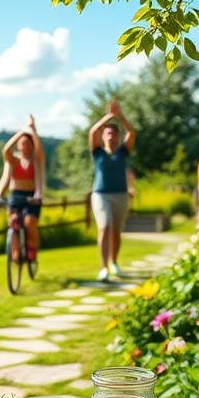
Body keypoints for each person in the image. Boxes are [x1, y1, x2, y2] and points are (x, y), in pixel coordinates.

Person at [89, 100, 136, 281]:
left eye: (114, 133)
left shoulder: (123, 152)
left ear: (118, 137)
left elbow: (131, 133)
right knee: (104, 226)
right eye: (108, 133)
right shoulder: (98, 152)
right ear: (103, 136)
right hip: (101, 196)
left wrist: (119, 117)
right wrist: (108, 117)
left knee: (116, 231)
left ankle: (114, 262)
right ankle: (103, 267)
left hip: (121, 196)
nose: (111, 136)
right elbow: (93, 131)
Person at [0, 115, 45, 260]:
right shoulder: (13, 160)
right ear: (18, 145)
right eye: (22, 143)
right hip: (15, 195)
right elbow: (6, 149)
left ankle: (32, 248)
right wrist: (21, 132)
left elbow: (39, 148)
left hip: (32, 196)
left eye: (28, 143)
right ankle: (15, 254)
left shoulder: (36, 160)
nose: (25, 146)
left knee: (29, 223)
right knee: (13, 223)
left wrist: (32, 130)